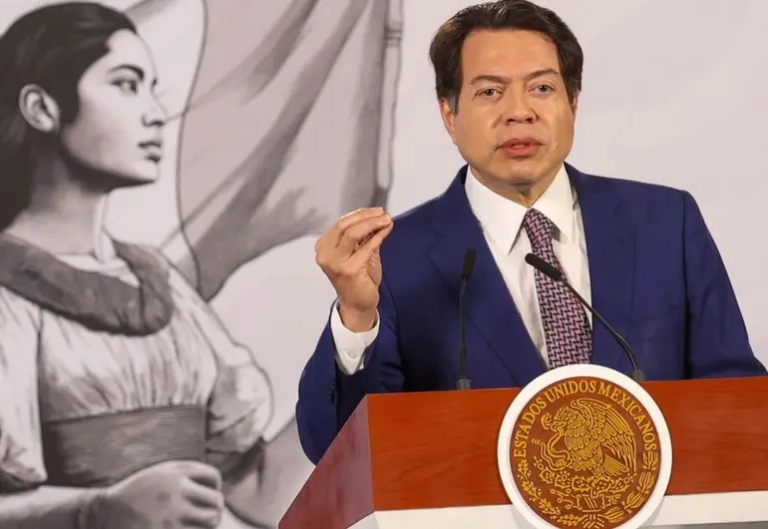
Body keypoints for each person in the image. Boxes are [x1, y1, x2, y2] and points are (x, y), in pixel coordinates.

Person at [295, 0, 767, 465]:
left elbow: (739, 400)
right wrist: (357, 316)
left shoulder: (665, 223)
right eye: (489, 92)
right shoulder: (395, 258)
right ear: (449, 115)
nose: (519, 112)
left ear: (572, 104)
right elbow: (335, 450)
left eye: (541, 88)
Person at [0, 3, 293, 528]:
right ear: (42, 108)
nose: (156, 113)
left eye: (152, 88)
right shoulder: (7, 292)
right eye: (126, 85)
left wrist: (365, 345)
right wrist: (98, 510)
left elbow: (260, 493)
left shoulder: (158, 280)